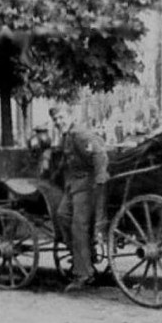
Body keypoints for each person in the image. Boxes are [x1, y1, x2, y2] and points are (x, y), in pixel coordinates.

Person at [49, 104, 109, 292]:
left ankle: (84, 273)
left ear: (70, 115)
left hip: (86, 187)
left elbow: (99, 153)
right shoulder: (67, 136)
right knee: (62, 215)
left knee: (78, 228)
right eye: (56, 119)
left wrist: (100, 179)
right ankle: (82, 255)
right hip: (73, 186)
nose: (59, 122)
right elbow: (67, 163)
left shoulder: (79, 134)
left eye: (61, 117)